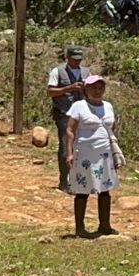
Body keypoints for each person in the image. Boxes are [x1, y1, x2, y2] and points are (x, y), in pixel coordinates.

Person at [65, 74, 124, 238]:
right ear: (86, 90)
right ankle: (80, 228)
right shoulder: (79, 106)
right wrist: (69, 153)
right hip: (84, 152)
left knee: (104, 189)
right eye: (93, 88)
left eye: (100, 88)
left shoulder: (108, 106)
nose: (97, 91)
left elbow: (112, 128)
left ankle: (105, 225)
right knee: (82, 190)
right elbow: (70, 130)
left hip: (104, 153)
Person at [46, 46, 90, 192]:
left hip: (82, 115)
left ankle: (78, 180)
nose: (77, 62)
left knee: (81, 147)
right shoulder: (57, 71)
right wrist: (69, 88)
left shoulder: (86, 72)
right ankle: (64, 181)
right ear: (67, 58)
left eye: (79, 60)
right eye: (74, 59)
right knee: (66, 147)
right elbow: (50, 92)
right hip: (64, 114)